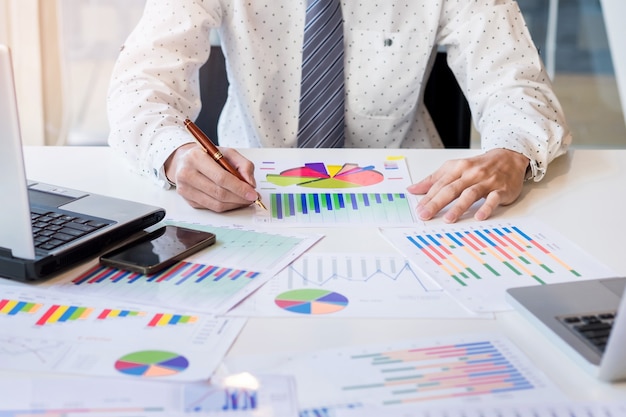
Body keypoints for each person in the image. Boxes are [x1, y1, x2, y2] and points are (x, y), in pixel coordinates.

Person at [107, 0, 571, 223]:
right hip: (252, 200)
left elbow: (517, 84)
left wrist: (513, 150)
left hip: (417, 203)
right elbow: (141, 81)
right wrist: (173, 153)